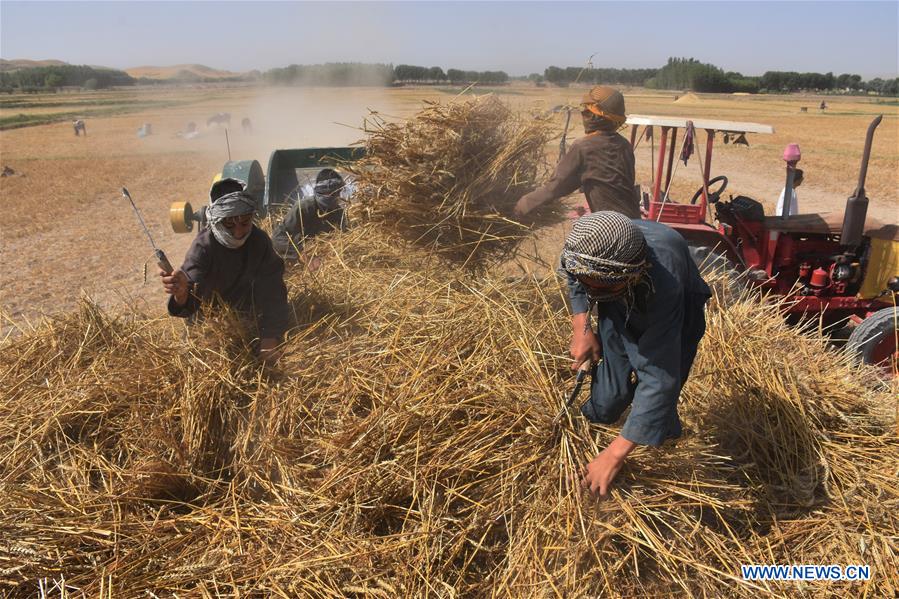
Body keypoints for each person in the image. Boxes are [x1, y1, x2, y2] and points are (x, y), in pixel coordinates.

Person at [560, 211, 711, 499]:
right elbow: (574, 271)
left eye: (599, 286)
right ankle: (603, 417)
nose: (592, 291)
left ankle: (659, 441)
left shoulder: (666, 286)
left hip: (676, 308)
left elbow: (659, 377)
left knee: (658, 380)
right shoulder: (586, 246)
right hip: (619, 296)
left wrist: (613, 456)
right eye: (588, 283)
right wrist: (582, 327)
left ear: (631, 274)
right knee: (608, 396)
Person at [159, 180, 289, 362]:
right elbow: (188, 298)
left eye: (244, 223)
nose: (238, 233)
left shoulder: (259, 241)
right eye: (229, 225)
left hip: (251, 322)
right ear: (215, 220)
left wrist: (270, 338)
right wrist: (181, 295)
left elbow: (274, 292)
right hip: (211, 329)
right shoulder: (203, 247)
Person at [514, 85, 639, 219]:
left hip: (611, 227)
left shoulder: (584, 147)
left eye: (587, 112)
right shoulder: (625, 145)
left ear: (596, 118)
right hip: (635, 221)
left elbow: (555, 188)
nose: (583, 115)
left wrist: (520, 207)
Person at [272, 168, 348, 260]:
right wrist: (301, 253)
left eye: (337, 192)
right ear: (320, 191)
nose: (334, 196)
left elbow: (344, 240)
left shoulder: (338, 212)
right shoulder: (303, 208)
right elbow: (278, 238)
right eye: (330, 193)